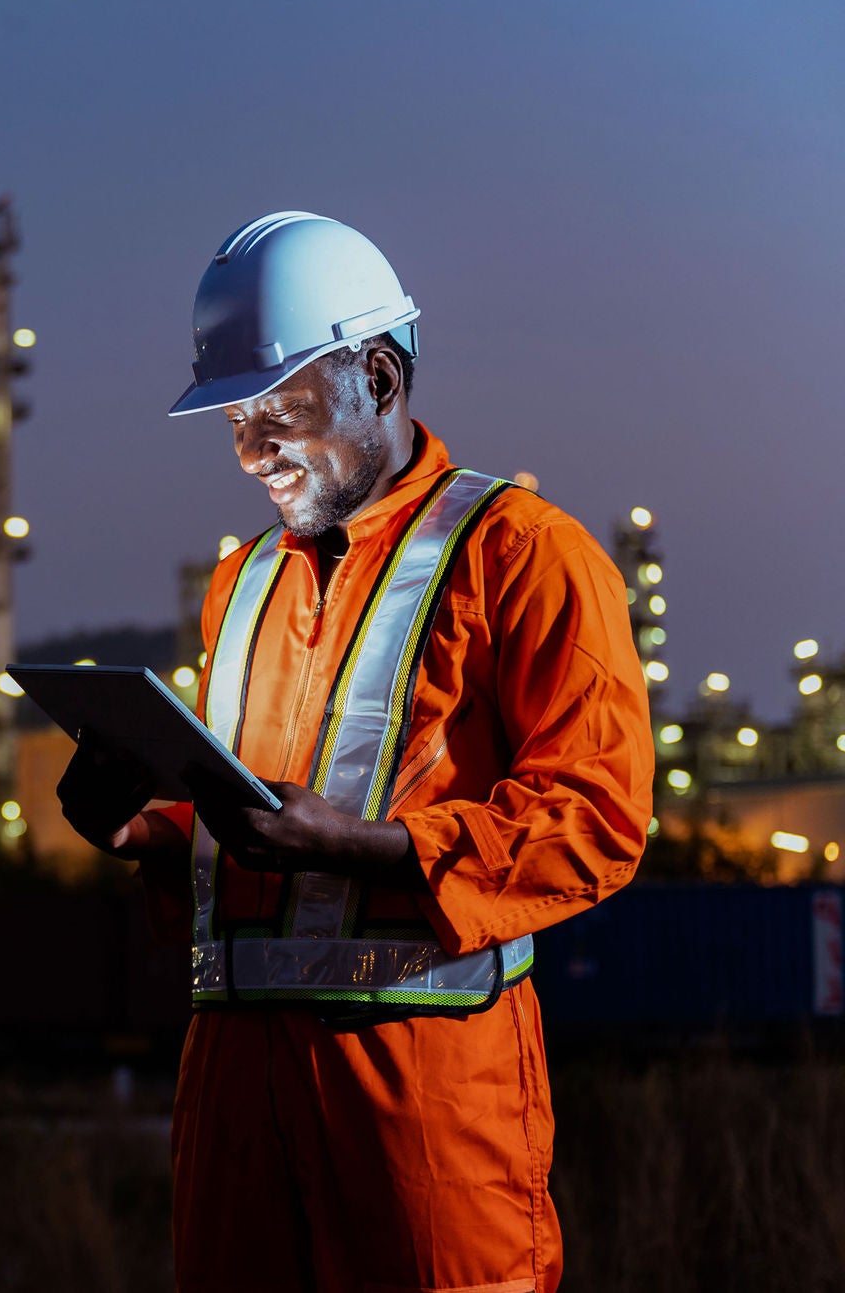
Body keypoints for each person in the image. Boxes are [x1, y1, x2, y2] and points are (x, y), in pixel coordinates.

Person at [58, 211, 653, 1293]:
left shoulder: (522, 555)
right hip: (233, 1083)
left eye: (278, 412)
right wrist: (145, 832)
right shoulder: (241, 584)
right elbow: (246, 823)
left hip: (420, 1085)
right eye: (236, 420)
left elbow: (594, 823)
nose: (251, 453)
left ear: (378, 375)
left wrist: (369, 848)